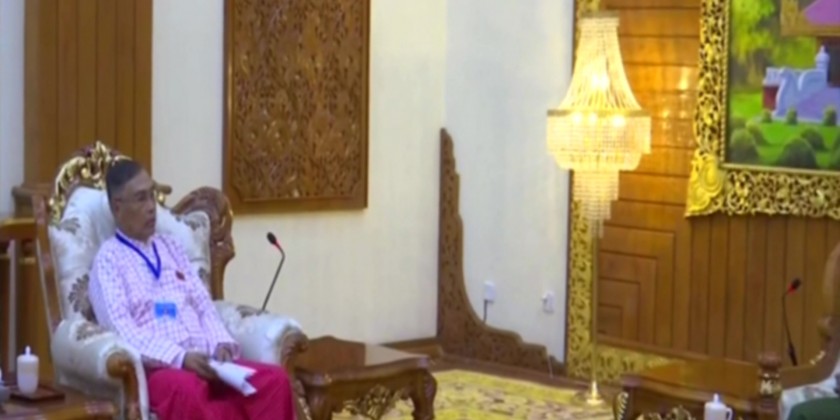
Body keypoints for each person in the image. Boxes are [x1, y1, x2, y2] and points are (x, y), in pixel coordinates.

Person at [88, 159, 296, 420]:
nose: (152, 207)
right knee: (191, 392)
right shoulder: (108, 261)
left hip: (208, 361)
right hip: (163, 370)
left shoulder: (171, 247)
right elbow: (122, 331)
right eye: (141, 199)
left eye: (152, 195)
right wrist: (180, 358)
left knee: (275, 381)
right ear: (117, 207)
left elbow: (203, 304)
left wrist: (220, 343)